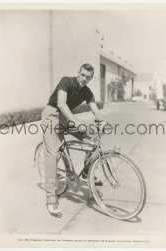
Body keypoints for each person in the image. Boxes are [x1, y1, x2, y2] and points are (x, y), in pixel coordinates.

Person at [42, 63, 106, 218]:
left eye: (88, 77)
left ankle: (86, 172)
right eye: (82, 75)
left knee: (92, 139)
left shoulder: (87, 92)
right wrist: (76, 121)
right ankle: (51, 199)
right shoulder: (66, 81)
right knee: (52, 154)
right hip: (52, 115)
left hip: (67, 118)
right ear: (78, 72)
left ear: (91, 79)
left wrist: (101, 120)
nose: (84, 79)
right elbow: (61, 104)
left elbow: (95, 110)